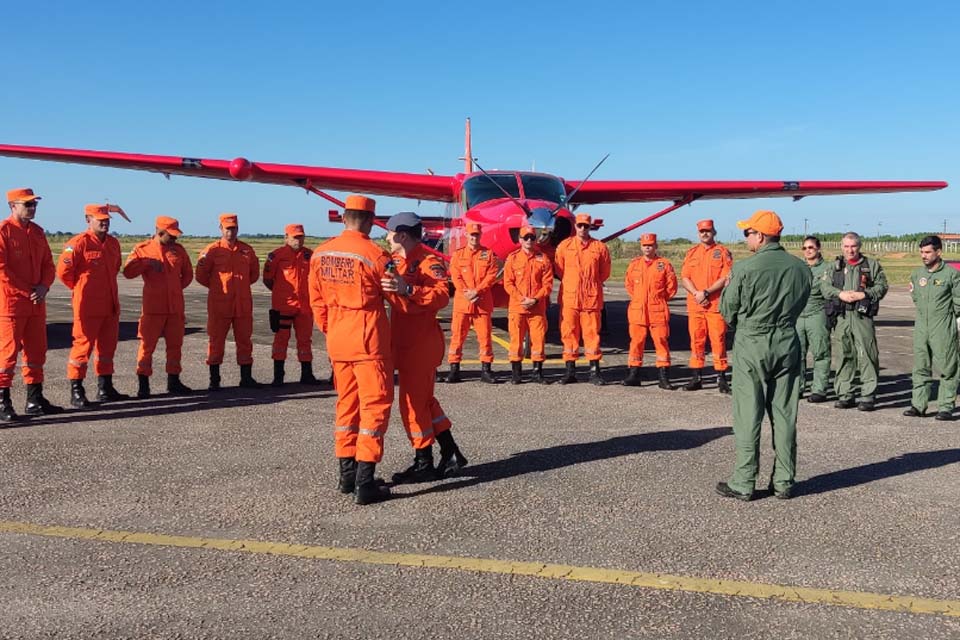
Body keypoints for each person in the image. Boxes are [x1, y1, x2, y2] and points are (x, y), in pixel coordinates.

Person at [716, 210, 810, 501]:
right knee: (785, 414)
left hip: (753, 342)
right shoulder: (800, 268)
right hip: (787, 340)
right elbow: (802, 302)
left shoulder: (745, 268)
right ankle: (784, 481)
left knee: (748, 413)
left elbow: (727, 311)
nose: (746, 238)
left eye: (748, 233)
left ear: (760, 235)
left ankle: (744, 481)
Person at [308, 195, 393, 505]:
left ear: (344, 218)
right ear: (370, 221)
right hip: (368, 340)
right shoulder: (376, 255)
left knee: (347, 406)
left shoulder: (320, 253)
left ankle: (346, 476)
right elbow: (397, 295)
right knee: (375, 406)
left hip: (338, 339)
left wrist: (332, 329)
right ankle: (365, 482)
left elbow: (316, 302)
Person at [382, 212, 468, 484]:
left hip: (420, 346)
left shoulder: (429, 263)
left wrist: (409, 290)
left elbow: (442, 296)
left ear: (402, 235)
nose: (386, 237)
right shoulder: (395, 261)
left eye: (389, 233)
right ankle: (450, 452)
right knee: (425, 402)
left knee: (413, 404)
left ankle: (424, 462)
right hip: (403, 344)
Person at [57, 203, 129, 408]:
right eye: (100, 220)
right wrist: (81, 288)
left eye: (107, 220)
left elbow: (115, 268)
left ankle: (105, 388)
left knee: (108, 348)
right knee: (82, 347)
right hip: (87, 306)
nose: (105, 223)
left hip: (110, 305)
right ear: (88, 220)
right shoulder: (79, 243)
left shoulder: (113, 243)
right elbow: (63, 272)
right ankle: (76, 390)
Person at [0, 188, 63, 420]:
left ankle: (34, 399)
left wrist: (44, 286)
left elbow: (48, 264)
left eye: (34, 204)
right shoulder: (4, 231)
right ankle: (3, 402)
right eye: (27, 204)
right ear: (12, 206)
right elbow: (2, 269)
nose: (32, 208)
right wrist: (27, 290)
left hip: (36, 303)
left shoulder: (37, 232)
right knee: (7, 355)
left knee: (37, 352)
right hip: (11, 304)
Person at [122, 216, 194, 398]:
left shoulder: (178, 250)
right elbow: (128, 272)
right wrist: (145, 263)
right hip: (153, 308)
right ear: (160, 232)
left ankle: (174, 381)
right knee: (147, 346)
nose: (174, 239)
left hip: (175, 308)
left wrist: (174, 290)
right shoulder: (142, 249)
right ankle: (143, 384)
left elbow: (187, 275)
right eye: (171, 235)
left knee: (175, 346)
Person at [821, 232, 888, 411]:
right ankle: (845, 394)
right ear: (841, 247)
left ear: (859, 246)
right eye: (846, 246)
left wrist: (864, 294)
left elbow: (882, 286)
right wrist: (839, 294)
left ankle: (868, 395)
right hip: (842, 317)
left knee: (867, 354)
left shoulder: (871, 266)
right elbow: (824, 287)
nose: (850, 250)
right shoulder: (833, 267)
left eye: (853, 246)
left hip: (861, 317)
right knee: (844, 355)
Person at [196, 214, 261, 390]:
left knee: (245, 340)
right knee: (216, 341)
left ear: (238, 228)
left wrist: (241, 287)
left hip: (242, 304)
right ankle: (214, 380)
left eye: (233, 228)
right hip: (219, 304)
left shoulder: (247, 250)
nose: (230, 232)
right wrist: (217, 288)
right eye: (227, 228)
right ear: (221, 229)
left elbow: (254, 274)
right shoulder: (212, 250)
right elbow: (200, 276)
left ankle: (246, 378)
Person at [904, 235, 960, 421]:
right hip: (922, 326)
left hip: (942, 326)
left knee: (948, 367)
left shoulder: (951, 275)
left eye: (928, 252)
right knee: (920, 366)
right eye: (922, 252)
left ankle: (945, 407)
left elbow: (958, 302)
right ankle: (918, 405)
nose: (924, 256)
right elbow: (916, 297)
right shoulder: (917, 274)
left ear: (938, 252)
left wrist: (947, 318)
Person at [554, 213, 611, 385]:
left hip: (590, 299)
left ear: (590, 227)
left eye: (586, 226)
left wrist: (590, 284)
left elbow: (604, 273)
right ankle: (570, 371)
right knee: (568, 333)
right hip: (570, 298)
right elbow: (559, 270)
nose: (583, 229)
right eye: (580, 225)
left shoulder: (599, 247)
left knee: (592, 334)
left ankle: (594, 372)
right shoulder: (564, 246)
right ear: (575, 226)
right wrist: (573, 283)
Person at [263, 224, 321, 387]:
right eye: (295, 237)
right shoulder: (276, 256)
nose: (298, 241)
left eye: (301, 237)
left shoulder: (310, 256)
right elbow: (267, 279)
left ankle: (307, 374)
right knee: (281, 340)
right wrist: (280, 293)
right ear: (286, 238)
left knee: (305, 340)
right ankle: (278, 376)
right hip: (283, 306)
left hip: (304, 307)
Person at [680, 219, 733, 393]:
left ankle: (721, 378)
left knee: (718, 341)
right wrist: (696, 293)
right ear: (698, 233)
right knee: (696, 341)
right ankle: (696, 377)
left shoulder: (722, 252)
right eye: (702, 231)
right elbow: (685, 277)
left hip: (714, 305)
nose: (705, 234)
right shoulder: (691, 253)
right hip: (696, 305)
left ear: (714, 232)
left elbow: (726, 277)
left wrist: (707, 292)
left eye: (708, 231)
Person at [623, 233, 678, 389]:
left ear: (656, 246)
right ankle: (633, 374)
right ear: (641, 247)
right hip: (638, 310)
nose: (647, 248)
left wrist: (657, 299)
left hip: (657, 309)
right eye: (645, 245)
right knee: (636, 341)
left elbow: (671, 288)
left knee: (661, 341)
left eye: (650, 245)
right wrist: (639, 298)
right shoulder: (634, 265)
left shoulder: (664, 265)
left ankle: (663, 376)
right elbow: (629, 285)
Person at [446, 222, 499, 384]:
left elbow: (492, 275)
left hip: (481, 303)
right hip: (463, 303)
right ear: (466, 235)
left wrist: (477, 291)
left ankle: (486, 370)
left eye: (477, 234)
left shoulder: (488, 254)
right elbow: (455, 276)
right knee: (457, 336)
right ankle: (454, 369)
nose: (474, 237)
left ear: (480, 235)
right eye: (471, 234)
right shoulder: (458, 255)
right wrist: (467, 292)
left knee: (485, 338)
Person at [503, 224, 554, 384]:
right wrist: (521, 299)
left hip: (537, 308)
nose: (529, 240)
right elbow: (508, 283)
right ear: (520, 240)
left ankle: (537, 372)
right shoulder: (512, 259)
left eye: (532, 237)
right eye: (526, 237)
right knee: (516, 340)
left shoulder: (543, 259)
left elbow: (548, 284)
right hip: (517, 308)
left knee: (538, 340)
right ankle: (516, 373)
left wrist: (535, 299)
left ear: (536, 239)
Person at [797, 236, 832, 403]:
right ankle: (797, 387)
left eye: (811, 247)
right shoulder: (798, 268)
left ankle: (819, 389)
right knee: (796, 354)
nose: (808, 251)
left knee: (821, 353)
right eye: (804, 248)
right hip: (798, 315)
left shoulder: (827, 269)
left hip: (817, 313)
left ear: (818, 248)